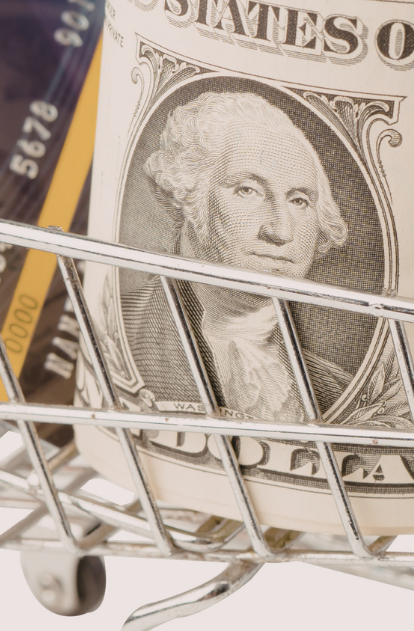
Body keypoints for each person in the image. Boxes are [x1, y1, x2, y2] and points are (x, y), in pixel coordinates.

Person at [121, 91, 353, 421]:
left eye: (299, 200)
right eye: (248, 190)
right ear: (190, 196)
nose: (281, 231)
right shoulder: (124, 328)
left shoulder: (337, 389)